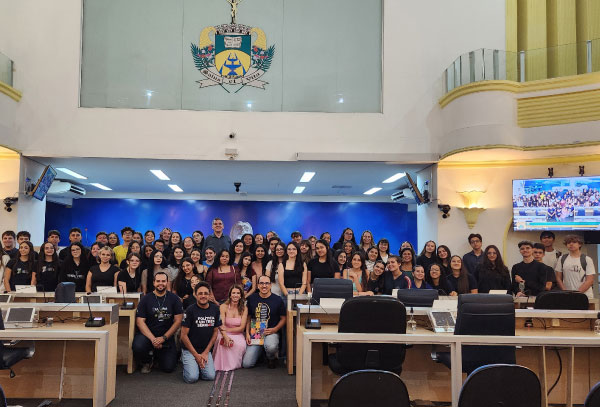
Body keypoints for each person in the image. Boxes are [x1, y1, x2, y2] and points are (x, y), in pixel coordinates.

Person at [133, 272, 183, 374]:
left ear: (167, 282)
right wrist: (153, 339)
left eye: (163, 281)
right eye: (158, 281)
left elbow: (178, 321)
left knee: (168, 368)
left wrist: (163, 338)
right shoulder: (145, 299)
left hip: (166, 336)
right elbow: (140, 322)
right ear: (154, 283)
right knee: (138, 346)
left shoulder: (174, 299)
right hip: (148, 335)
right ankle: (147, 360)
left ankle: (157, 355)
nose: (161, 283)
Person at [180, 282, 222, 382]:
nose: (203, 296)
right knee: (192, 378)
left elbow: (215, 333)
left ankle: (196, 366)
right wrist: (196, 355)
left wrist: (206, 352)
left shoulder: (215, 309)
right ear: (195, 295)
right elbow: (183, 336)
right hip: (190, 350)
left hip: (205, 350)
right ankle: (189, 364)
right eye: (200, 293)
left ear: (209, 295)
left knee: (210, 376)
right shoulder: (190, 310)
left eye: (206, 293)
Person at [242, 275, 286, 369]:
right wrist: (247, 333)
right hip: (256, 333)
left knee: (271, 347)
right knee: (247, 364)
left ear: (270, 285)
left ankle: (271, 358)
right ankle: (261, 353)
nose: (264, 286)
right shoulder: (251, 298)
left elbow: (283, 318)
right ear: (258, 285)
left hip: (271, 332)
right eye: (261, 283)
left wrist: (275, 329)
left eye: (266, 283)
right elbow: (248, 317)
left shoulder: (278, 300)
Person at [214, 284, 248, 371]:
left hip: (238, 334)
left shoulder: (244, 308)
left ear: (241, 296)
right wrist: (225, 336)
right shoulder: (223, 307)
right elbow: (221, 324)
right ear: (230, 295)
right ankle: (221, 365)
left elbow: (241, 328)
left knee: (239, 345)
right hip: (223, 333)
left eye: (238, 293)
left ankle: (234, 364)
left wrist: (227, 329)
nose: (235, 295)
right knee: (222, 342)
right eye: (233, 293)